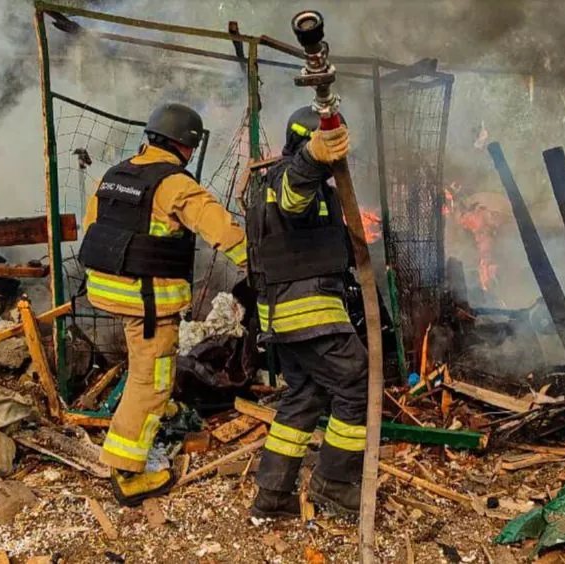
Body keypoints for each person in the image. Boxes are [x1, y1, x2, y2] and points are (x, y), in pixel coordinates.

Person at [78, 102, 247, 505]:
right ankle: (127, 471)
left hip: (106, 289)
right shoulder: (175, 183)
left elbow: (91, 228)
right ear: (186, 146)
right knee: (151, 378)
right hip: (147, 301)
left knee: (144, 363)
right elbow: (222, 231)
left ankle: (159, 410)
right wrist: (262, 265)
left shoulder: (115, 176)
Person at [245, 106, 365, 518]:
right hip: (308, 310)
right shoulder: (288, 179)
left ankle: (273, 494)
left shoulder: (269, 185)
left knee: (306, 394)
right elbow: (296, 196)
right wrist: (314, 156)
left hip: (286, 315)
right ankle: (333, 483)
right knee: (357, 383)